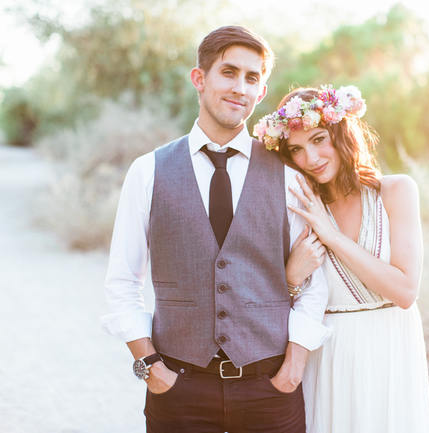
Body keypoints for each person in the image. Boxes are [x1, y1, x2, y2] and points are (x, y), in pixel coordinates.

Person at [101, 26, 330, 433]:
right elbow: (122, 280)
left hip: (270, 387)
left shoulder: (288, 177)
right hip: (178, 388)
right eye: (229, 72)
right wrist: (150, 366)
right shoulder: (149, 171)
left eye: (252, 77)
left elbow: (315, 282)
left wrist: (293, 366)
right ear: (200, 78)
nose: (239, 87)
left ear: (261, 93)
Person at [253, 85, 429, 432]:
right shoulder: (295, 209)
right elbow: (274, 301)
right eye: (297, 149)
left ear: (341, 132)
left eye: (319, 139)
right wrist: (291, 278)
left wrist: (332, 236)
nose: (311, 158)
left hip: (391, 350)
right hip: (327, 357)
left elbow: (405, 291)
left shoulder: (396, 191)